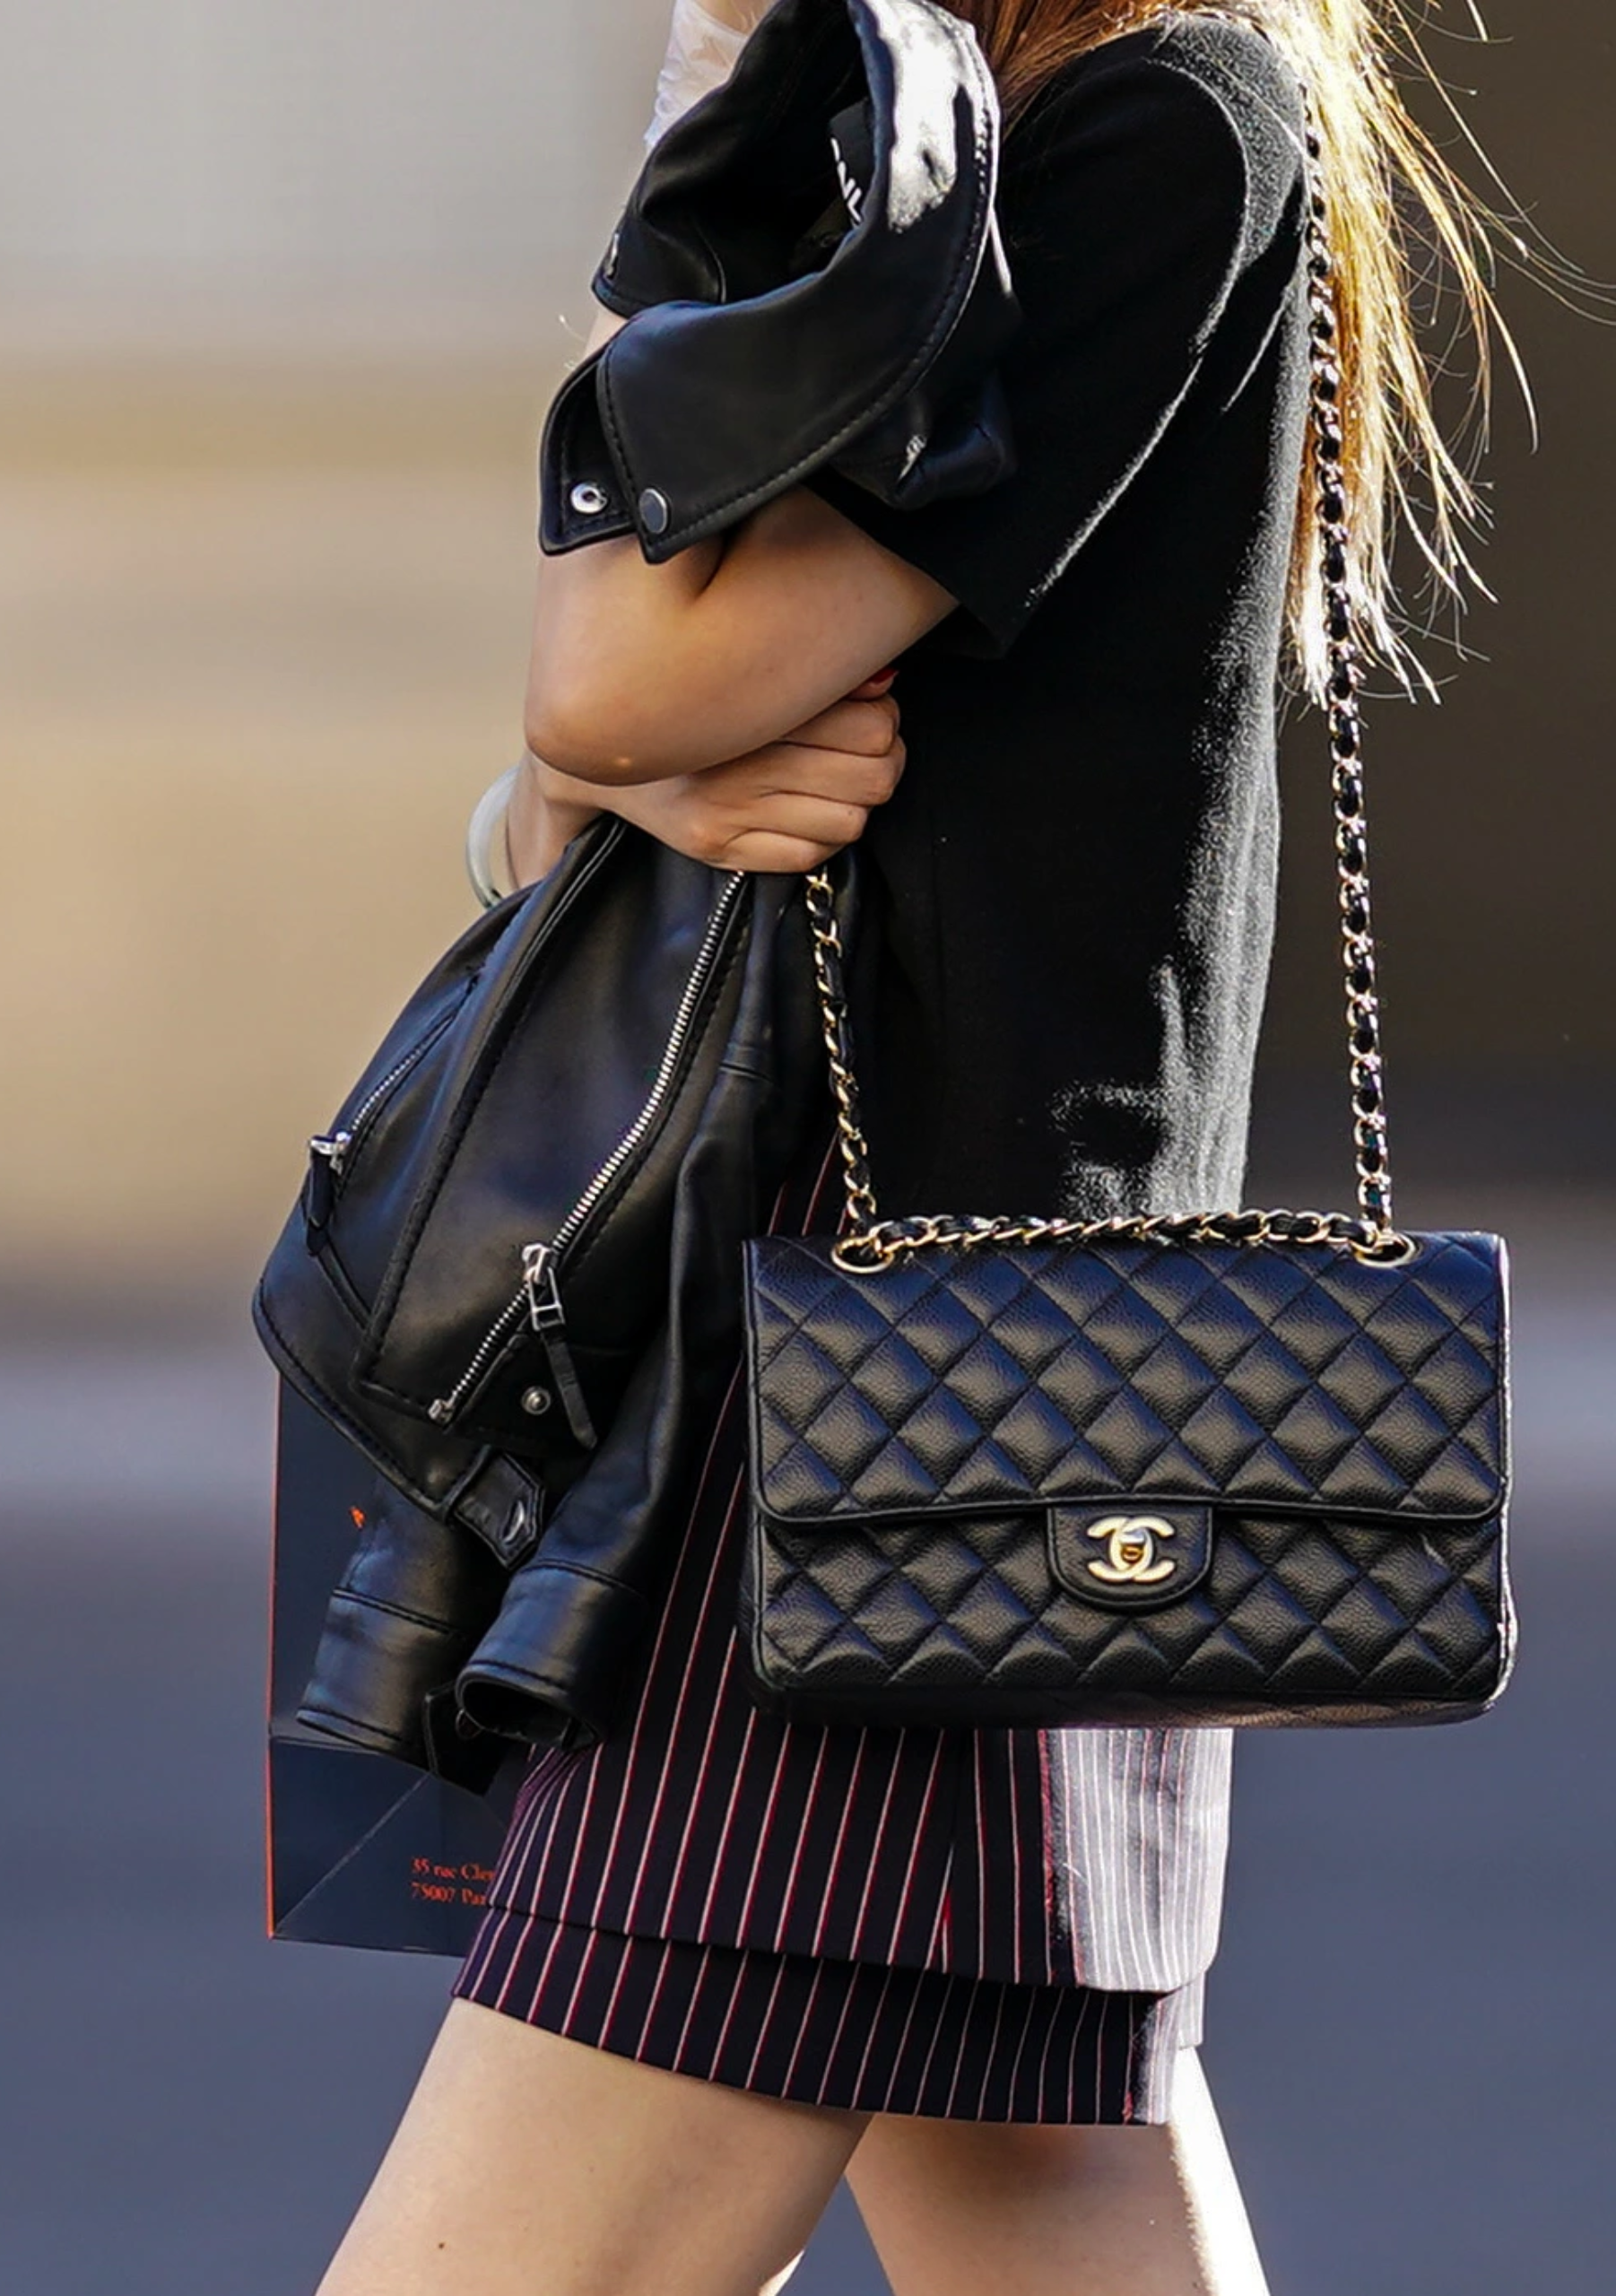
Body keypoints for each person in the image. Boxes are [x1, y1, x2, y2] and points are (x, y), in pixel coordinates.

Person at [317, 4, 1501, 2290]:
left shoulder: (1155, 138)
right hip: (946, 1384)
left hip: (889, 1394)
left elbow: (609, 664)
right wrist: (620, 777)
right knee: (1042, 2202)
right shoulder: (926, 141)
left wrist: (621, 747)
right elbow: (626, 706)